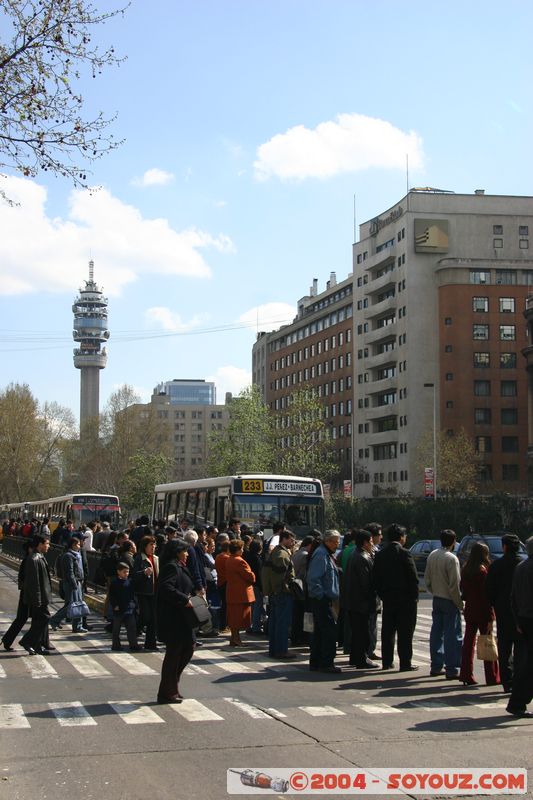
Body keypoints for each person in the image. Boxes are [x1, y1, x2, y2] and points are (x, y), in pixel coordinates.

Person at [373, 523, 419, 672]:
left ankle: (387, 661)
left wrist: (383, 594)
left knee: (388, 631)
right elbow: (413, 578)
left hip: (388, 598)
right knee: (405, 633)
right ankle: (405, 662)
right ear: (401, 537)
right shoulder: (404, 553)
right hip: (406, 600)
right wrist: (414, 597)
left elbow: (376, 579)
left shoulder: (380, 554)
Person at [155, 539, 195, 704]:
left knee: (188, 649)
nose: (187, 554)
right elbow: (166, 588)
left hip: (183, 617)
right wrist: (184, 599)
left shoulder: (180, 566)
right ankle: (167, 691)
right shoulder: (171, 567)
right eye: (184, 551)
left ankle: (172, 685)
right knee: (174, 653)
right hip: (173, 618)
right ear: (177, 551)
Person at [486, 533, 523, 694]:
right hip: (522, 612)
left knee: (504, 647)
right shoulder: (523, 564)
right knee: (522, 648)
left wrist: (494, 605)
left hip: (503, 611)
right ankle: (519, 679)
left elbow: (489, 591)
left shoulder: (496, 566)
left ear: (504, 547)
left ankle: (507, 681)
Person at [459, 542, 500, 687]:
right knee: (487, 642)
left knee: (469, 643)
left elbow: (463, 590)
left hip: (470, 609)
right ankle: (492, 676)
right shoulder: (483, 572)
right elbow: (486, 596)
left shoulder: (465, 569)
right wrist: (491, 617)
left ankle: (465, 673)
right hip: (483, 611)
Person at [424, 529, 463, 680]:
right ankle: (452, 668)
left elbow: (427, 579)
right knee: (452, 635)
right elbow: (455, 585)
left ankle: (436, 665)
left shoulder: (433, 555)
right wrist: (459, 604)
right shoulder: (452, 559)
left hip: (437, 598)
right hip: (449, 600)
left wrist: (434, 591)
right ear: (453, 542)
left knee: (436, 632)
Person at [306, 530, 342, 673]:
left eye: (338, 541)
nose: (337, 544)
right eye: (334, 541)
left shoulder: (326, 554)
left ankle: (317, 662)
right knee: (328, 632)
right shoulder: (321, 555)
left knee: (321, 633)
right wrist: (321, 597)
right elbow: (313, 579)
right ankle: (326, 663)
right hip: (322, 600)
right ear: (327, 541)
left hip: (325, 598)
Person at [506, 536, 533, 717]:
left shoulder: (521, 567)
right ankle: (517, 701)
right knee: (528, 665)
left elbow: (512, 598)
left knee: (527, 662)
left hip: (524, 618)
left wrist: (517, 622)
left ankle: (518, 700)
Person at [345, 529, 379, 669]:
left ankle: (356, 657)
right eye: (371, 542)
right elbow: (366, 583)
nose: (372, 544)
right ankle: (361, 659)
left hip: (354, 601)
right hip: (361, 602)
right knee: (363, 633)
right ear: (365, 543)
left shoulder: (356, 555)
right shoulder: (362, 557)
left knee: (358, 632)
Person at [262, 529, 297, 660]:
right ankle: (281, 650)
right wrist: (281, 589)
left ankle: (274, 649)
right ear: (285, 539)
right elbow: (279, 577)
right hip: (282, 593)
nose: (293, 543)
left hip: (275, 593)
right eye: (291, 540)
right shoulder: (282, 554)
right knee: (282, 623)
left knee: (275, 622)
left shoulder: (276, 552)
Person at [19, 535, 53, 655]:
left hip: (42, 596)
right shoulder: (33, 559)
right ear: (40, 544)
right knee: (44, 618)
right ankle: (26, 640)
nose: (48, 546)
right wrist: (37, 599)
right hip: (38, 597)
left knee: (40, 620)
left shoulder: (40, 557)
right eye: (47, 543)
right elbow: (34, 583)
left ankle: (37, 646)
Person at [49, 536, 87, 633]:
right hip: (72, 583)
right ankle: (54, 620)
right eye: (78, 544)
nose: (80, 546)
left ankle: (77, 626)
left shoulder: (77, 554)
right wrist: (74, 584)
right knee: (72, 605)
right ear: (73, 545)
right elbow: (69, 572)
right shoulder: (68, 556)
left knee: (76, 604)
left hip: (78, 582)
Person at [1, 539, 34, 650]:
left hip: (28, 593)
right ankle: (8, 640)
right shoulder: (28, 560)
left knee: (27, 618)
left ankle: (8, 640)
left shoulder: (29, 559)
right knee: (23, 618)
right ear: (30, 549)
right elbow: (24, 578)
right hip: (27, 594)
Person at [225, 539, 255, 646]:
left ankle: (234, 638)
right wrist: (253, 574)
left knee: (233, 617)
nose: (242, 550)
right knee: (239, 617)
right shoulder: (240, 561)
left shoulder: (229, 559)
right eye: (241, 548)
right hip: (241, 593)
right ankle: (236, 639)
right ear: (237, 550)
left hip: (232, 591)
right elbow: (250, 576)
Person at [132, 535, 159, 650]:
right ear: (145, 546)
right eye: (150, 545)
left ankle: (151, 643)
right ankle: (134, 631)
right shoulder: (139, 558)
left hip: (154, 592)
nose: (153, 547)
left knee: (153, 618)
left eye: (154, 544)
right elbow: (133, 576)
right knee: (146, 616)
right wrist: (144, 573)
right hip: (143, 592)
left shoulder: (156, 558)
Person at [109, 562, 141, 651]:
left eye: (127, 572)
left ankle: (133, 645)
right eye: (124, 572)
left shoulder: (130, 582)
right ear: (118, 572)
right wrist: (115, 605)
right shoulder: (114, 583)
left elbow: (133, 594)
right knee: (116, 629)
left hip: (129, 609)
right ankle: (116, 645)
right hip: (118, 609)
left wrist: (134, 605)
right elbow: (112, 596)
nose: (126, 574)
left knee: (132, 627)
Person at [245, 538, 264, 635]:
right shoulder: (257, 559)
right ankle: (256, 627)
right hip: (256, 585)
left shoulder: (247, 556)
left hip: (249, 584)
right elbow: (260, 574)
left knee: (251, 606)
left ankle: (249, 625)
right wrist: (262, 588)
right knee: (257, 605)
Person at [215, 539, 231, 632]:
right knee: (226, 605)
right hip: (226, 582)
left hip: (220, 581)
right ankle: (224, 625)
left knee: (223, 605)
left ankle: (223, 625)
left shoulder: (218, 556)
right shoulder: (226, 558)